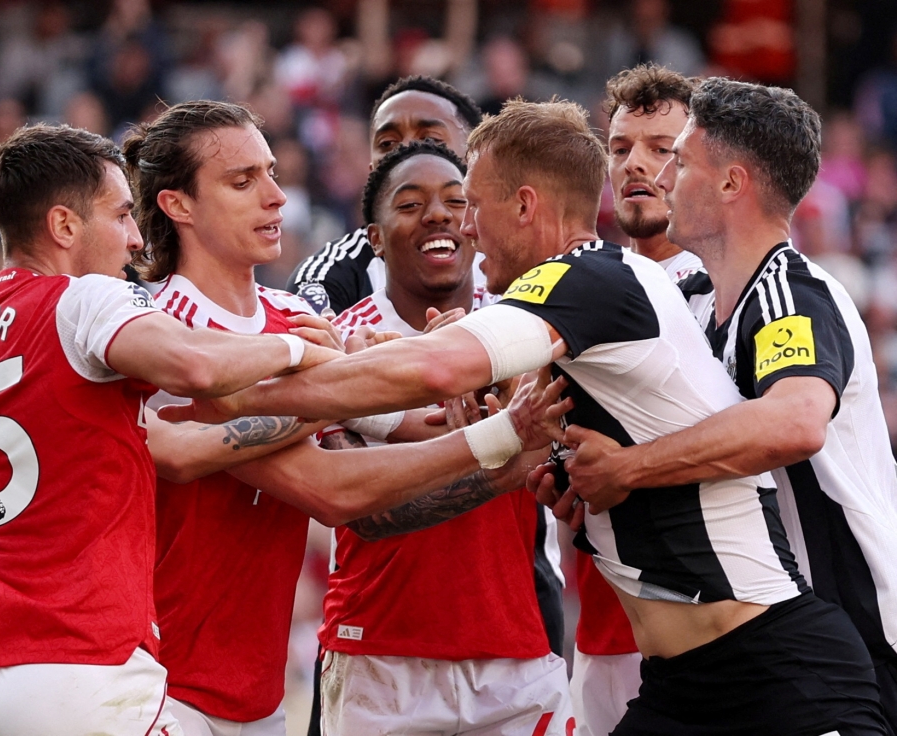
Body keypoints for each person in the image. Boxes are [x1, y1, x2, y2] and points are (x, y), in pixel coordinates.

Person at [172, 99, 892, 735]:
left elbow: (436, 369)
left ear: (523, 205)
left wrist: (238, 389)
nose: (468, 229)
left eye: (474, 205)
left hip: (775, 665)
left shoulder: (586, 279)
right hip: (683, 678)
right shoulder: (604, 294)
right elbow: (439, 370)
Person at [124, 100, 567, 736]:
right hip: (157, 683)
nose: (277, 197)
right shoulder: (158, 333)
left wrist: (418, 383)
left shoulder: (295, 320)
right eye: (243, 181)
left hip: (257, 695)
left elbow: (412, 428)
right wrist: (496, 433)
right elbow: (330, 490)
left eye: (273, 173)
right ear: (177, 205)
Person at [0, 123, 342, 736]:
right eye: (120, 215)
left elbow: (171, 443)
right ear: (64, 226)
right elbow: (195, 365)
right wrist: (300, 352)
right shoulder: (84, 298)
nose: (137, 237)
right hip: (76, 669)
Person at [550, 77, 897, 728]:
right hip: (731, 648)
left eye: (677, 159)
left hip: (844, 637)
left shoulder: (790, 295)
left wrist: (628, 469)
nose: (660, 176)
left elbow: (795, 422)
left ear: (732, 183)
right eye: (623, 149)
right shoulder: (691, 305)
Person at [318, 140, 570, 735]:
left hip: (515, 651)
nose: (438, 216)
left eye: (457, 202)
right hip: (380, 652)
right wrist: (498, 446)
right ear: (376, 239)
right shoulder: (338, 344)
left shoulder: (525, 325)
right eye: (410, 205)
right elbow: (364, 513)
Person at [565, 63, 699, 736]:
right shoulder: (588, 282)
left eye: (661, 148)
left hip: (710, 624)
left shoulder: (733, 289)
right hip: (605, 630)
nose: (635, 165)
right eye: (619, 149)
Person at [287, 75, 484, 315]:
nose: (408, 151)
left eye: (431, 140)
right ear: (373, 172)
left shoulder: (517, 259)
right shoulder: (330, 279)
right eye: (388, 144)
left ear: (475, 159)